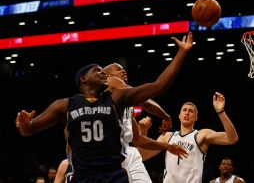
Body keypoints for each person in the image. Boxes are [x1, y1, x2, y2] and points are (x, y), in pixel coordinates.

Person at [15, 32, 193, 183]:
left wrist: (182, 53)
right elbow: (29, 130)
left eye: (103, 70)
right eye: (97, 70)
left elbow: (159, 86)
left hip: (114, 175)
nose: (102, 72)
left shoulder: (117, 98)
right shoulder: (65, 105)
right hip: (83, 176)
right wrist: (24, 125)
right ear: (83, 79)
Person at [138, 92, 239, 183]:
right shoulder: (167, 136)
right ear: (179, 115)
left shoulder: (201, 135)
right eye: (184, 110)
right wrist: (143, 131)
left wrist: (221, 112)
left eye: (191, 111)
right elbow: (142, 156)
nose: (187, 112)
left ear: (196, 117)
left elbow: (232, 139)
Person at [103, 63, 172, 183]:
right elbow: (144, 100)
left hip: (128, 151)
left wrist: (167, 147)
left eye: (124, 69)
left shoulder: (125, 103)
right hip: (110, 152)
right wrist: (165, 116)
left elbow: (137, 139)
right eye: (118, 69)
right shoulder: (111, 81)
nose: (123, 71)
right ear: (107, 75)